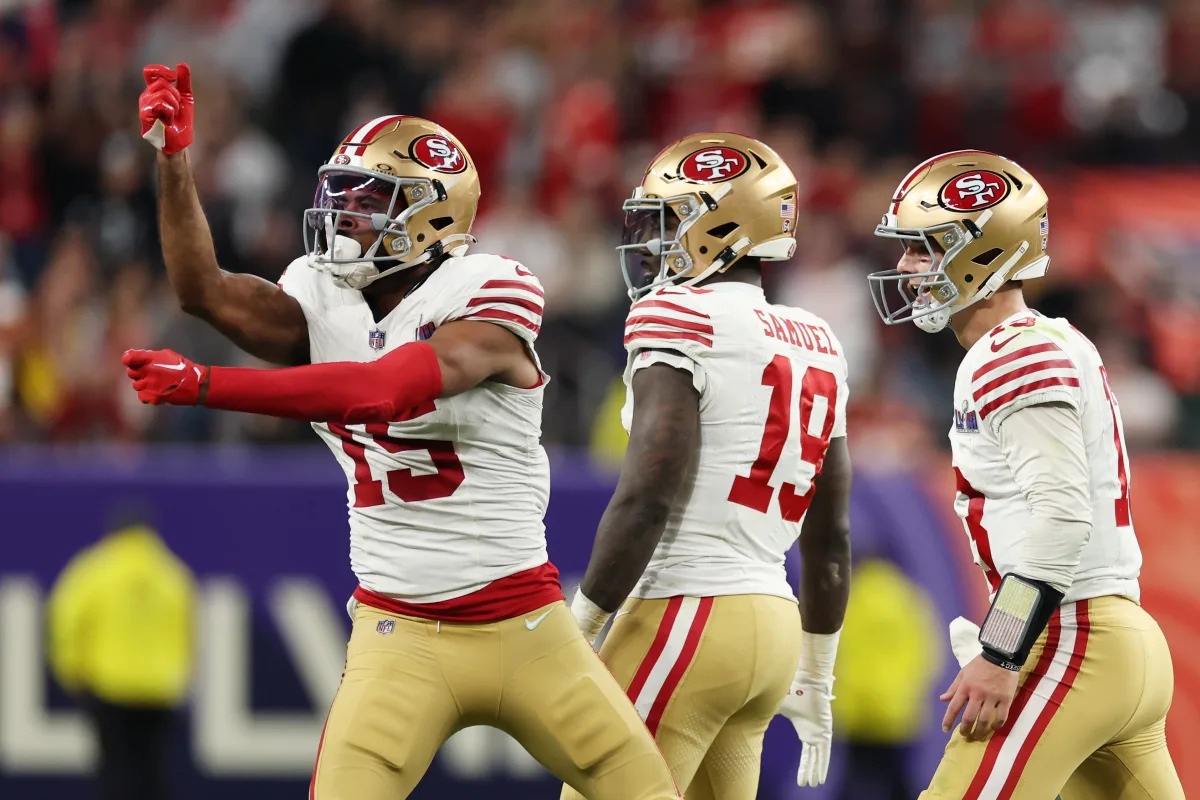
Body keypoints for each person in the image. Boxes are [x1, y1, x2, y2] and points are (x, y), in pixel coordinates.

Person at [127, 62, 681, 800]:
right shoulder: (321, 294)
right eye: (341, 194)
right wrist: (174, 160)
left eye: (371, 200)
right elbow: (204, 292)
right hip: (396, 634)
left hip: (523, 623)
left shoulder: (488, 289)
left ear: (434, 217)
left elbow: (383, 390)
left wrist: (206, 384)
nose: (345, 214)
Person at [868, 149, 1184, 799]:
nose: (904, 266)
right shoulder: (1044, 340)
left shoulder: (1012, 353)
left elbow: (1062, 517)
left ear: (982, 252)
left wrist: (1001, 649)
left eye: (923, 248)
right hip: (1115, 638)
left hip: (1072, 638)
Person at [563, 132, 853, 799]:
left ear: (720, 227)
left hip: (687, 609)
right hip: (773, 623)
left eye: (669, 221)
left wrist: (578, 627)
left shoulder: (677, 315)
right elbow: (831, 535)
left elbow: (649, 493)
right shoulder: (820, 339)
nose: (653, 240)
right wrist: (817, 670)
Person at [47, 512, 196, 800]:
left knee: (116, 769)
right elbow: (186, 631)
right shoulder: (171, 573)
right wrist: (178, 677)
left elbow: (68, 621)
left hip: (111, 685)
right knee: (153, 769)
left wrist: (72, 672)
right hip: (158, 689)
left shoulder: (95, 570)